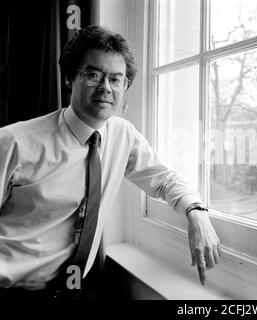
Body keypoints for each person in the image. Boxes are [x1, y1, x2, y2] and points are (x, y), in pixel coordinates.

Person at [0, 25, 221, 299]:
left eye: (116, 79)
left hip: (76, 290)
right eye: (93, 75)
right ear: (70, 78)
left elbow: (165, 180)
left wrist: (197, 213)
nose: (106, 87)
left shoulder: (122, 135)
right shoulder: (13, 142)